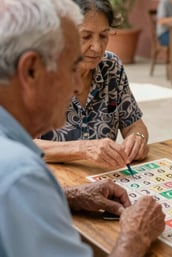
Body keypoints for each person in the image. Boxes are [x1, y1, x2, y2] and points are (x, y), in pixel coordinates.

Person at [0, 1, 165, 257]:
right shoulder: (21, 174)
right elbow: (19, 186)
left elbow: (135, 124)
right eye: (70, 67)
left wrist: (70, 195)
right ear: (30, 70)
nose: (77, 85)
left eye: (104, 35)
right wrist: (136, 235)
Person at [34, 0, 149, 170]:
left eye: (103, 36)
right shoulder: (38, 73)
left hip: (102, 176)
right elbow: (19, 144)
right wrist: (83, 149)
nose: (97, 47)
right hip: (53, 182)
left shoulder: (111, 66)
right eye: (86, 36)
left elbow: (133, 123)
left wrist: (137, 138)